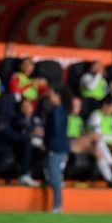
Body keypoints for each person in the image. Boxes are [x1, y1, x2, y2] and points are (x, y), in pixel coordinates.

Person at [87, 97, 112, 187]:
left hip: (107, 143)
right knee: (99, 145)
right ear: (105, 105)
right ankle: (110, 177)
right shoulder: (96, 115)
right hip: (91, 144)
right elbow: (97, 135)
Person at [45, 85, 72, 214]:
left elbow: (56, 130)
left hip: (56, 149)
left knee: (55, 178)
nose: (50, 97)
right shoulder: (63, 111)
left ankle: (58, 206)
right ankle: (58, 205)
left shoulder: (56, 112)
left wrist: (45, 139)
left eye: (52, 94)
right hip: (62, 148)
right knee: (56, 177)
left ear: (57, 96)